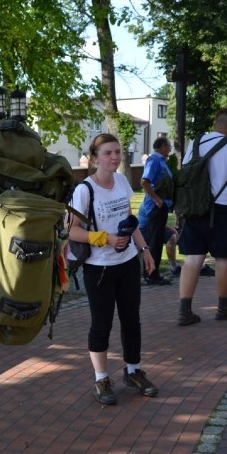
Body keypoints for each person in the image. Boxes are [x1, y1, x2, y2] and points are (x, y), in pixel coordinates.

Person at [67, 133, 158, 405]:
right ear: (95, 158)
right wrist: (104, 238)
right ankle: (101, 378)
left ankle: (133, 371)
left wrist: (144, 249)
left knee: (132, 320)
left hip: (127, 262)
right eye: (108, 153)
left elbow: (131, 221)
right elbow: (71, 231)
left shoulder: (120, 181)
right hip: (99, 267)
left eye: (118, 152)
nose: (115, 157)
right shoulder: (85, 190)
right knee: (101, 323)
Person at [177, 108, 227, 325]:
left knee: (193, 258)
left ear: (214, 123)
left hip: (194, 208)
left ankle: (185, 310)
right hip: (222, 208)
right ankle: (224, 308)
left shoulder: (196, 142)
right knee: (224, 258)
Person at [138, 137, 174, 285]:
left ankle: (153, 273)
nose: (170, 149)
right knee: (155, 241)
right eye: (169, 146)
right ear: (163, 146)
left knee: (157, 241)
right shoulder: (154, 160)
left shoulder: (161, 161)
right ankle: (151, 274)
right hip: (155, 208)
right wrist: (157, 200)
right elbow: (144, 181)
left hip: (160, 207)